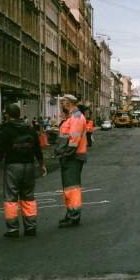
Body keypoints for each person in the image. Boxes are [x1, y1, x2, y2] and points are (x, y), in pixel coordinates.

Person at [0, 103, 47, 238]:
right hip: (29, 167)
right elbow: (37, 149)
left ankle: (13, 229)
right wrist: (42, 165)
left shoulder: (6, 131)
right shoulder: (30, 129)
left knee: (11, 198)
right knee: (28, 197)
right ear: (19, 114)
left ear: (7, 115)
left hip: (13, 167)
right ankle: (31, 227)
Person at [55, 94, 88, 228]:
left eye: (62, 103)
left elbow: (74, 140)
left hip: (72, 157)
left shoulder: (76, 117)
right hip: (70, 156)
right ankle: (70, 214)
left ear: (68, 103)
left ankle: (74, 216)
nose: (61, 106)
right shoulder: (72, 117)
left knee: (72, 188)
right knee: (68, 188)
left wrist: (66, 154)